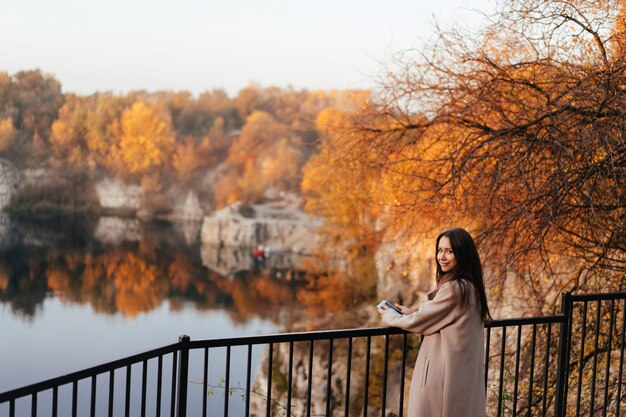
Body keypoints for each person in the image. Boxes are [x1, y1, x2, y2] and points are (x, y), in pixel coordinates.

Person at [378, 227, 491, 417]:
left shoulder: (455, 289)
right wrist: (412, 313)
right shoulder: (470, 286)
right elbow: (441, 317)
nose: (442, 257)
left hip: (443, 378)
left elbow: (420, 322)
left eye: (449, 251)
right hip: (458, 375)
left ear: (462, 254)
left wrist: (391, 316)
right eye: (440, 250)